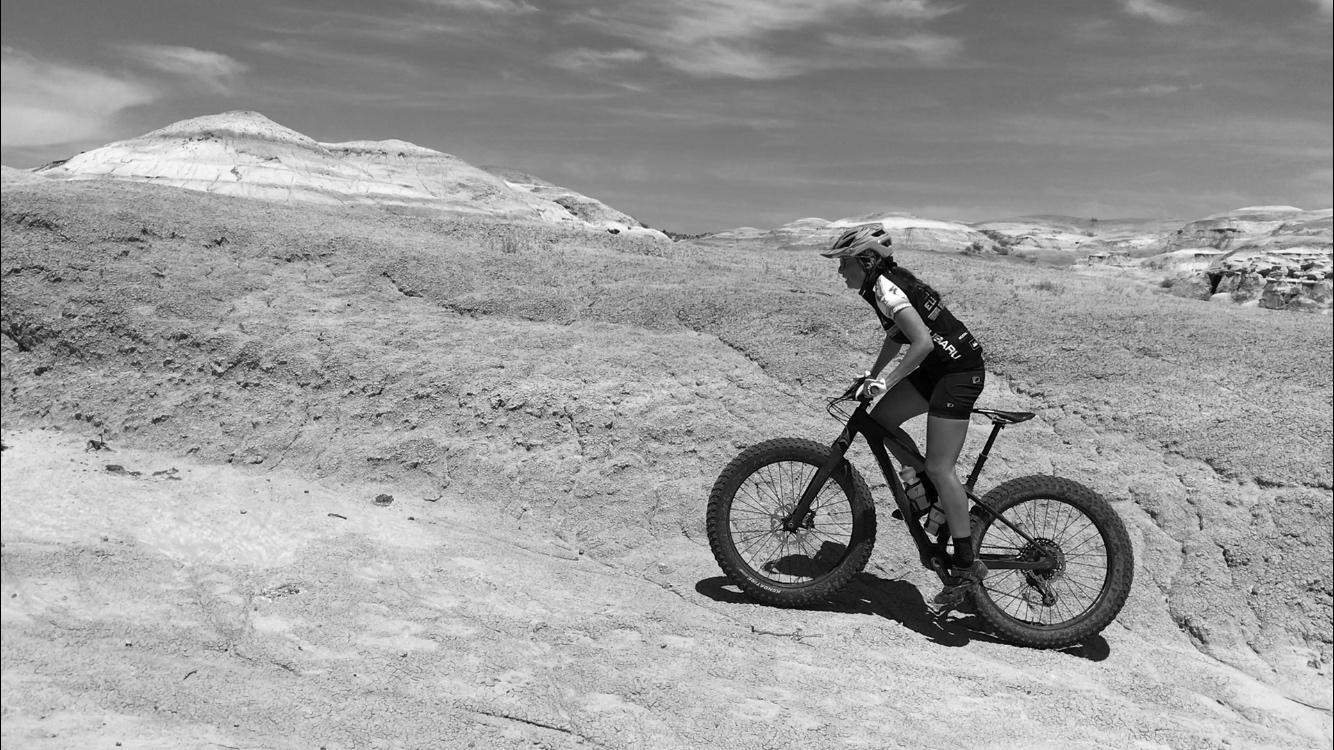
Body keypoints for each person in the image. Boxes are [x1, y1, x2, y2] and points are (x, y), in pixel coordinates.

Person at [821, 224, 988, 616]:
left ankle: (965, 565)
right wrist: (874, 375)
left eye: (844, 263)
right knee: (882, 419)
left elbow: (923, 342)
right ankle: (927, 495)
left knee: (940, 467)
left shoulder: (887, 287)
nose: (840, 271)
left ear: (865, 261)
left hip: (957, 373)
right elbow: (898, 336)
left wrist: (888, 381)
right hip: (937, 368)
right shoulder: (881, 285)